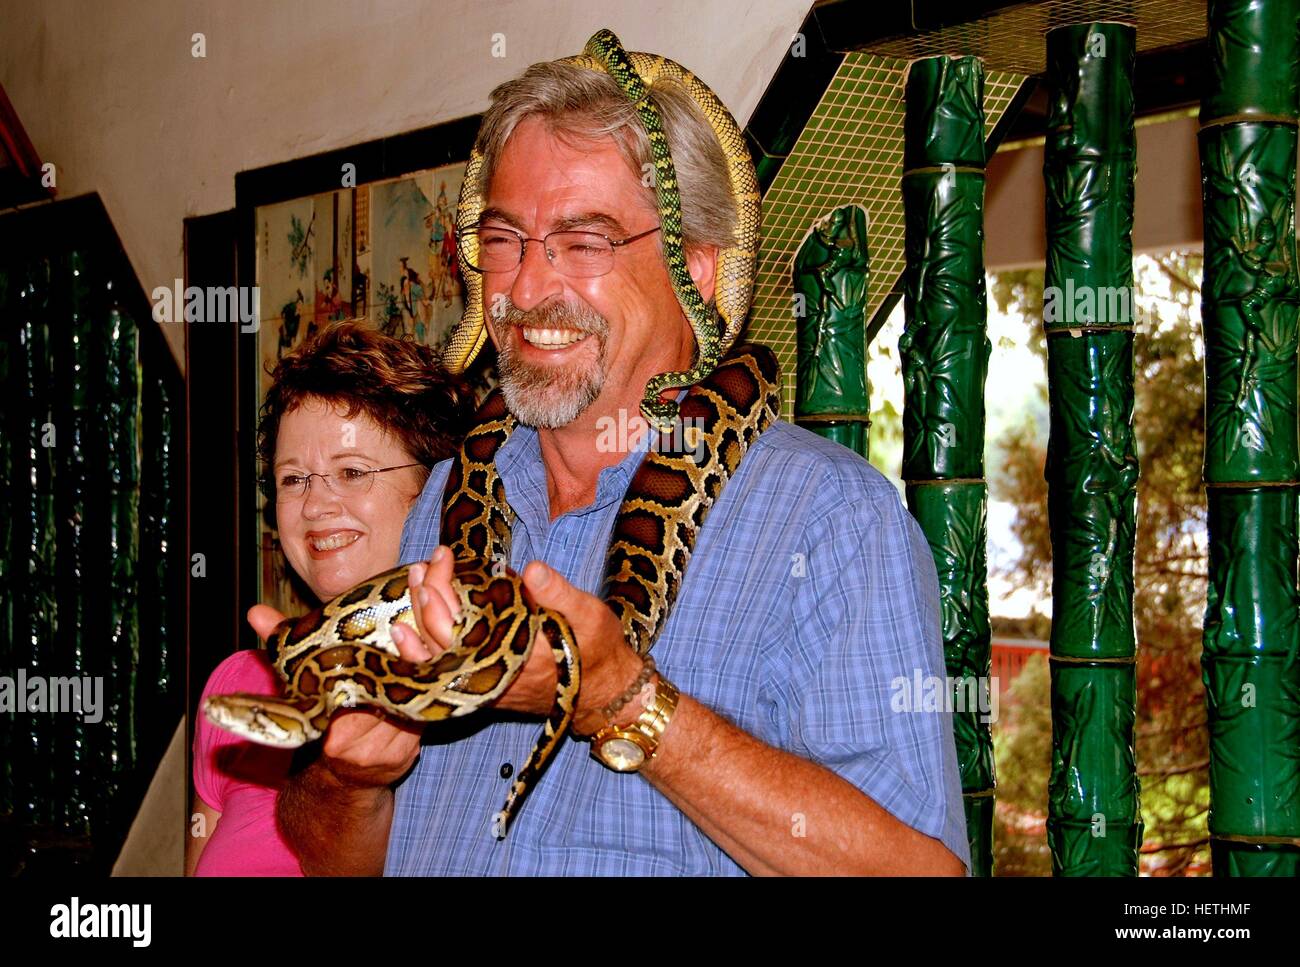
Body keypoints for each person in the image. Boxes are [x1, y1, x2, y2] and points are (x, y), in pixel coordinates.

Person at [269, 41, 971, 876]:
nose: (526, 290)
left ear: (698, 271)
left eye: (585, 241)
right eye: (505, 239)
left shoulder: (829, 521)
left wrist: (621, 700)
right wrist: (351, 778)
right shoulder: (447, 495)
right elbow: (332, 857)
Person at [186, 322, 472, 876]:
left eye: (351, 472)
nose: (315, 505)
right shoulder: (240, 686)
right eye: (293, 480)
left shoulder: (476, 684)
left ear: (433, 490)